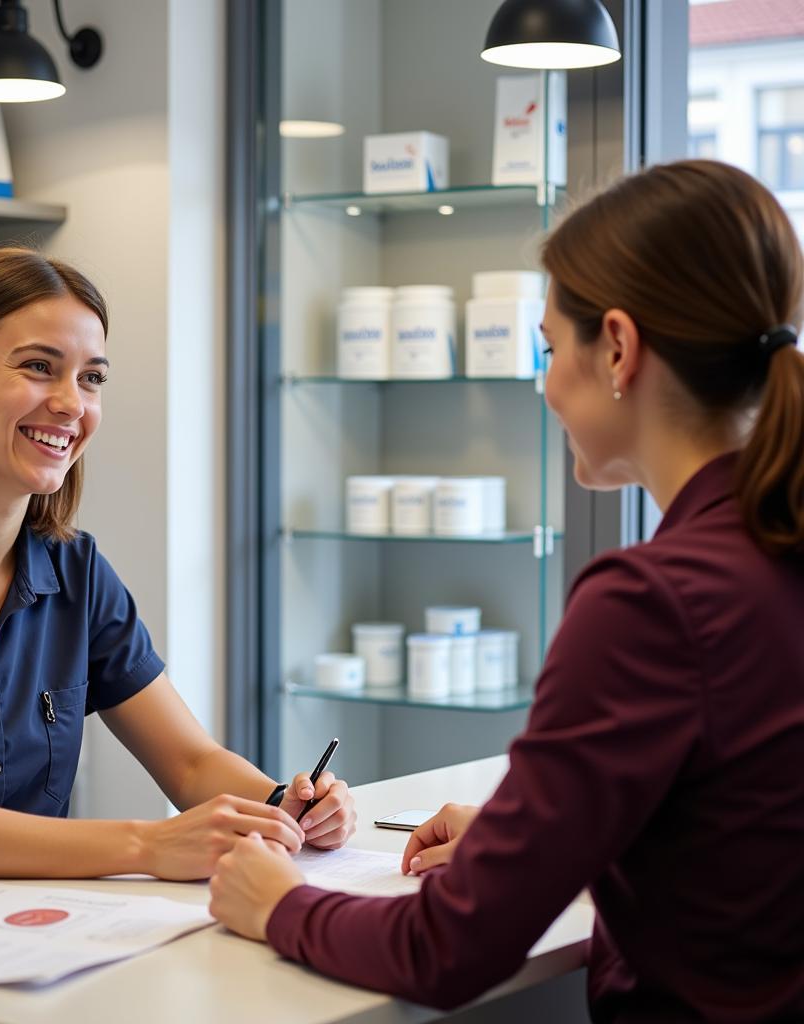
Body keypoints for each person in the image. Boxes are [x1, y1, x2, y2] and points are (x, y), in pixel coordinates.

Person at [208, 159, 804, 1022]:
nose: (546, 384)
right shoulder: (763, 555)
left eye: (551, 350)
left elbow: (445, 951)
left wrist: (276, 905)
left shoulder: (652, 601)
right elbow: (739, 834)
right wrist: (523, 841)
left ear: (620, 350)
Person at [0, 247, 356, 901]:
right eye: (38, 368)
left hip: (24, 942)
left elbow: (193, 763)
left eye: (91, 379)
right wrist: (147, 844)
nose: (70, 404)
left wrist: (288, 805)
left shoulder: (77, 571)